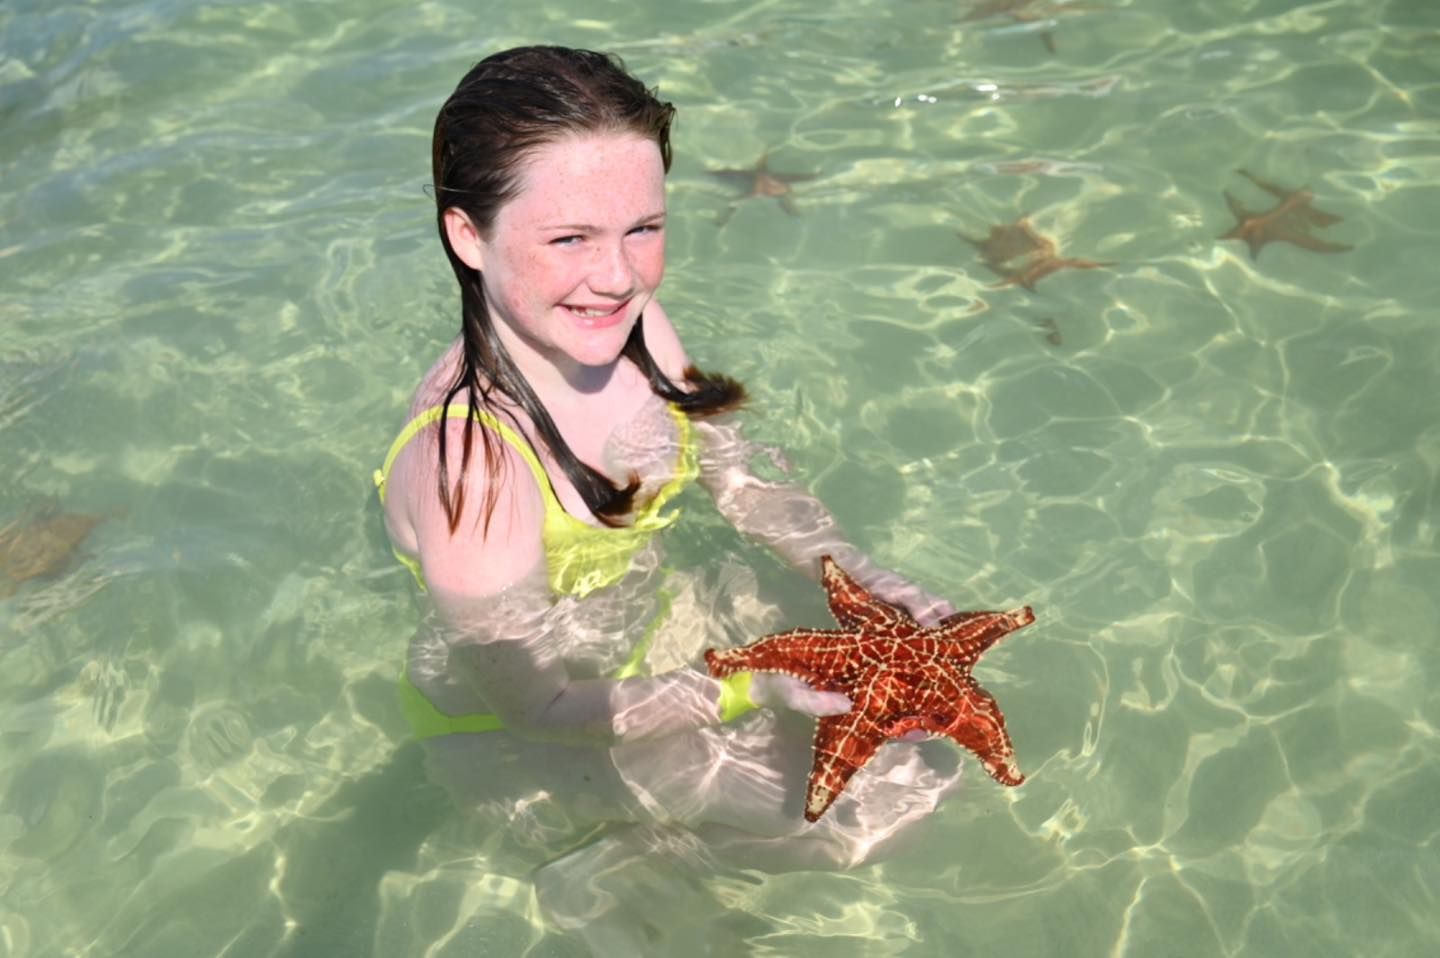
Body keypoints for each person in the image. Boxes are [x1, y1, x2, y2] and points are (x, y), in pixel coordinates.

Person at [374, 45, 966, 951]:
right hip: (533, 729)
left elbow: (736, 466)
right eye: (569, 238)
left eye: (642, 228)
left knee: (934, 707)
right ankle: (619, 870)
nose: (619, 275)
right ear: (467, 235)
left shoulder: (628, 322)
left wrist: (855, 571)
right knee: (892, 800)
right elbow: (537, 705)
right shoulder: (475, 473)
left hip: (660, 617)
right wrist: (746, 685)